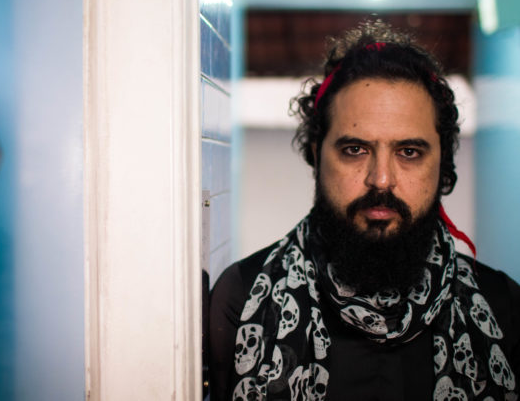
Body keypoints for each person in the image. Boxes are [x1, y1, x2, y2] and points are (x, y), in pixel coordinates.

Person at [209, 20, 520, 400]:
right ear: (316, 154)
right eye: (355, 150)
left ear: (443, 163)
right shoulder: (242, 299)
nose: (382, 180)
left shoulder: (502, 306)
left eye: (409, 152)